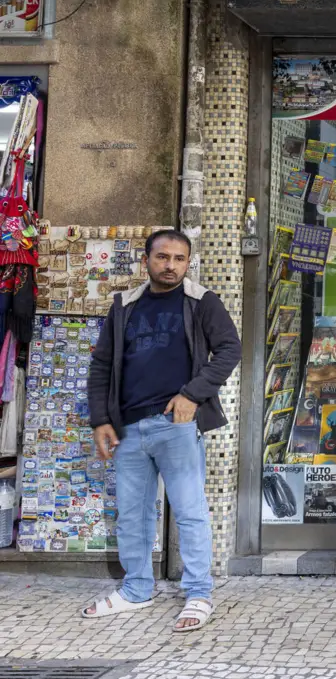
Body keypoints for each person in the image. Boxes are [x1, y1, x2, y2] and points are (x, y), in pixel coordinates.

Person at [82, 230, 242, 632]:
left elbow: (230, 350)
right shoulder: (124, 306)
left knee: (189, 512)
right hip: (128, 428)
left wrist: (192, 394)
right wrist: (101, 419)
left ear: (188, 263)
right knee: (132, 515)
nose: (171, 265)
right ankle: (136, 588)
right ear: (146, 260)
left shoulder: (201, 301)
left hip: (177, 425)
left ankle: (199, 593)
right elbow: (101, 365)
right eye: (163, 257)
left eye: (179, 259)